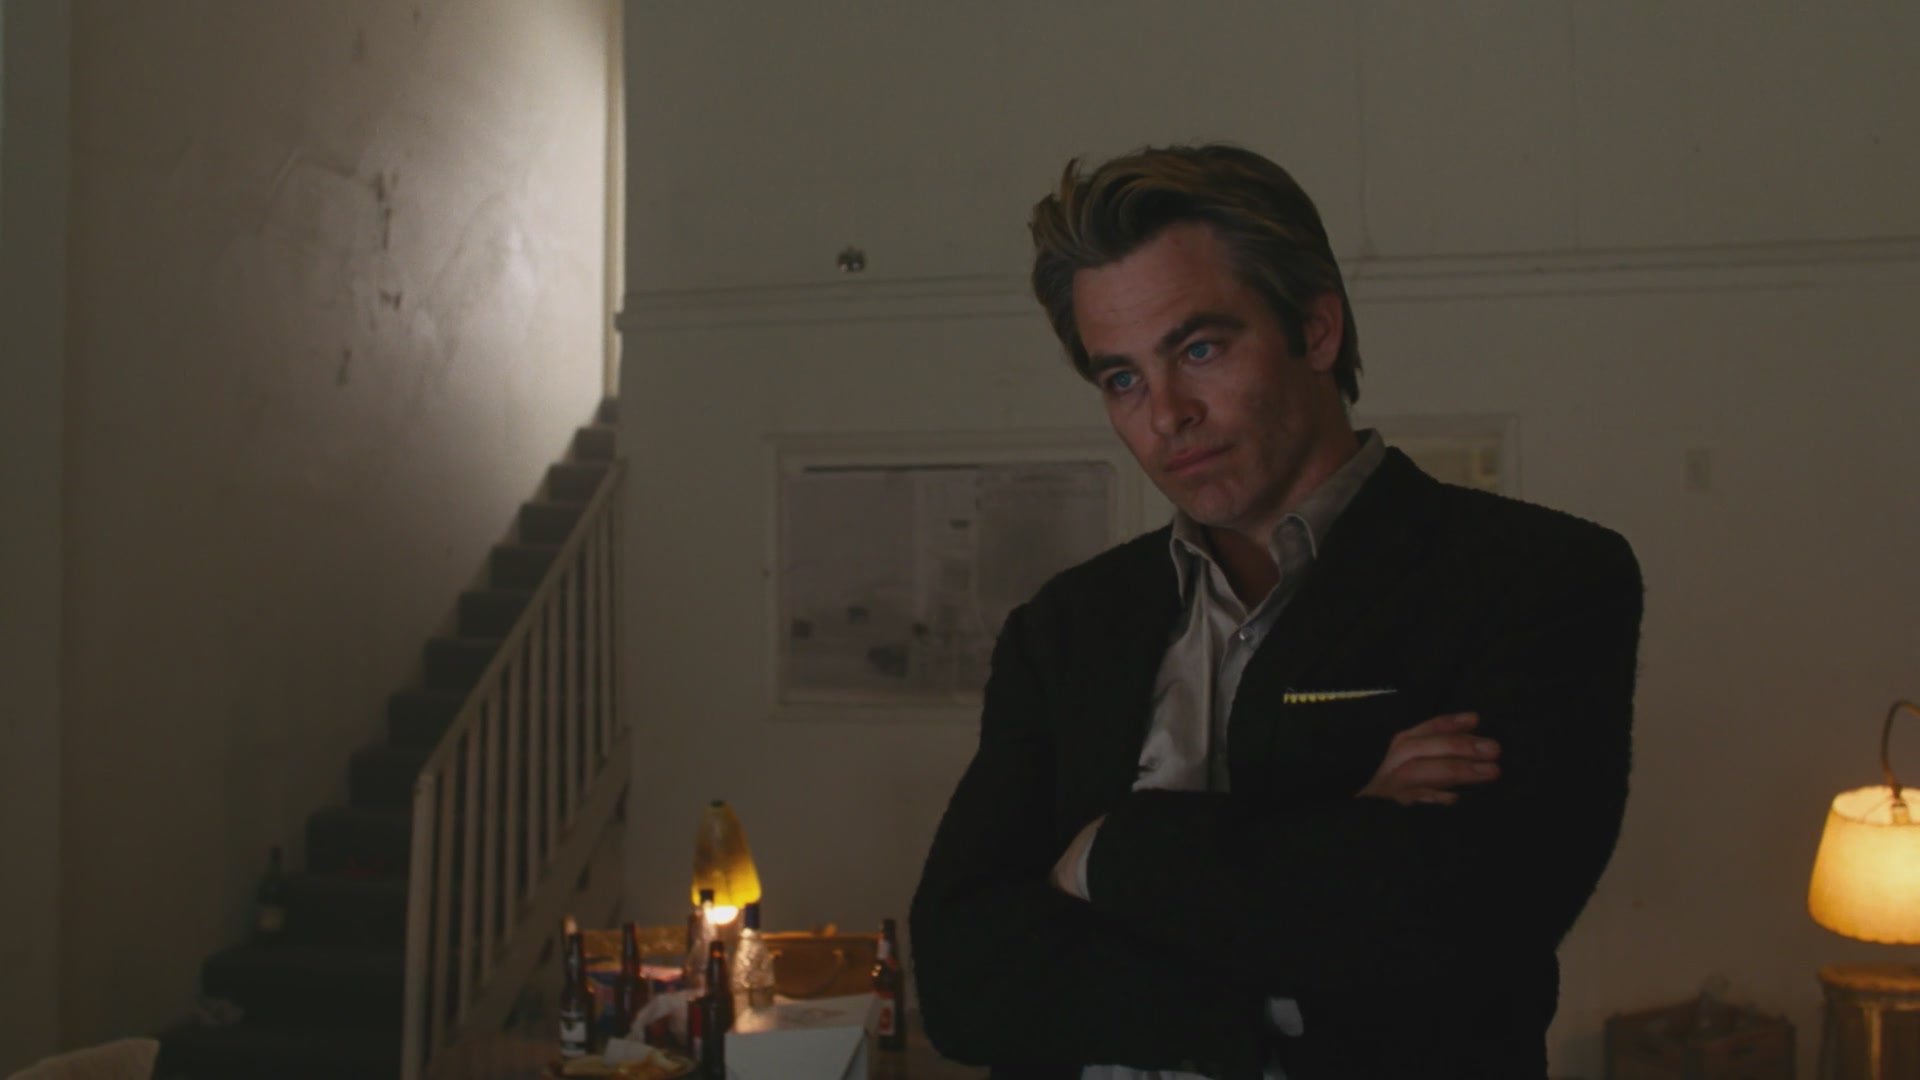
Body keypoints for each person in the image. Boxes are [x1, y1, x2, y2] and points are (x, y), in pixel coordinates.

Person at [910, 144, 1644, 1080]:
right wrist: (1327, 848)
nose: (1165, 413)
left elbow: (1456, 929)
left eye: (1199, 349)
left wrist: (1103, 853)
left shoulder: (1534, 577)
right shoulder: (1068, 625)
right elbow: (964, 981)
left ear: (1317, 329)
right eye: (1122, 379)